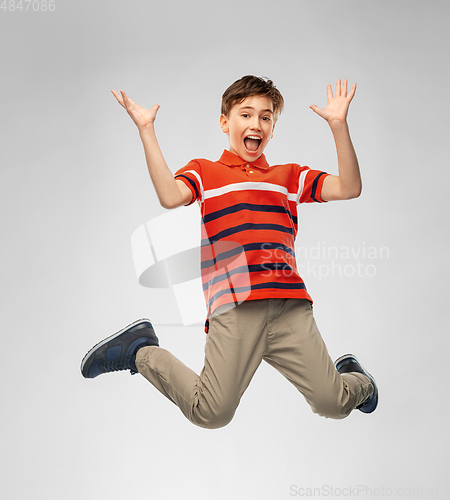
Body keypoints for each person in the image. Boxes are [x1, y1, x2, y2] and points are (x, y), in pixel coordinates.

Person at [81, 75, 378, 429]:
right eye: (246, 115)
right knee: (211, 413)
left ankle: (358, 380)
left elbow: (349, 187)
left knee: (334, 402)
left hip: (289, 307)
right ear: (225, 122)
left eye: (266, 118)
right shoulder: (206, 172)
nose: (256, 124)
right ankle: (139, 350)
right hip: (235, 307)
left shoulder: (288, 176)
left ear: (272, 128)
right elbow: (170, 196)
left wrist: (339, 126)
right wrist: (147, 129)